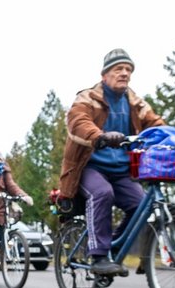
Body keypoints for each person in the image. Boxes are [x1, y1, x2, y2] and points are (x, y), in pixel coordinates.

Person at [59, 48, 165, 275]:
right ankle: (97, 256)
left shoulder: (136, 103)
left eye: (128, 69)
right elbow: (78, 121)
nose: (125, 73)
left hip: (122, 170)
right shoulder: (88, 97)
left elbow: (156, 124)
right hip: (89, 167)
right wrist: (98, 136)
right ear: (104, 75)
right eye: (119, 69)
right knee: (102, 193)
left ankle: (111, 249)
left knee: (141, 206)